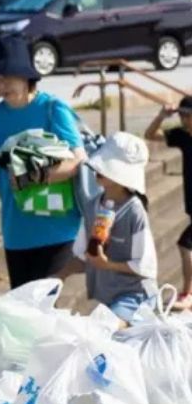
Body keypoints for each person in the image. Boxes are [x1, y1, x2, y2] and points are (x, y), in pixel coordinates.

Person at [0, 36, 86, 288]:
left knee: (42, 309)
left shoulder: (52, 110)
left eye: (7, 76)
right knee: (25, 312)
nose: (0, 84)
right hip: (17, 232)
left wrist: (33, 176)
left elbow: (78, 163)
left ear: (25, 76)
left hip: (58, 228)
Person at [63, 132, 158, 325]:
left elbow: (146, 267)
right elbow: (82, 256)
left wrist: (108, 265)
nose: (98, 170)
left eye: (106, 166)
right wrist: (57, 276)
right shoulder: (91, 206)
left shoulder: (134, 211)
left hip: (135, 298)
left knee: (104, 332)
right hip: (108, 297)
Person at [144, 96, 192, 310]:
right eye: (182, 115)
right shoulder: (182, 136)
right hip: (191, 203)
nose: (184, 120)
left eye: (188, 116)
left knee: (185, 244)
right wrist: (162, 115)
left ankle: (188, 293)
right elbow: (150, 135)